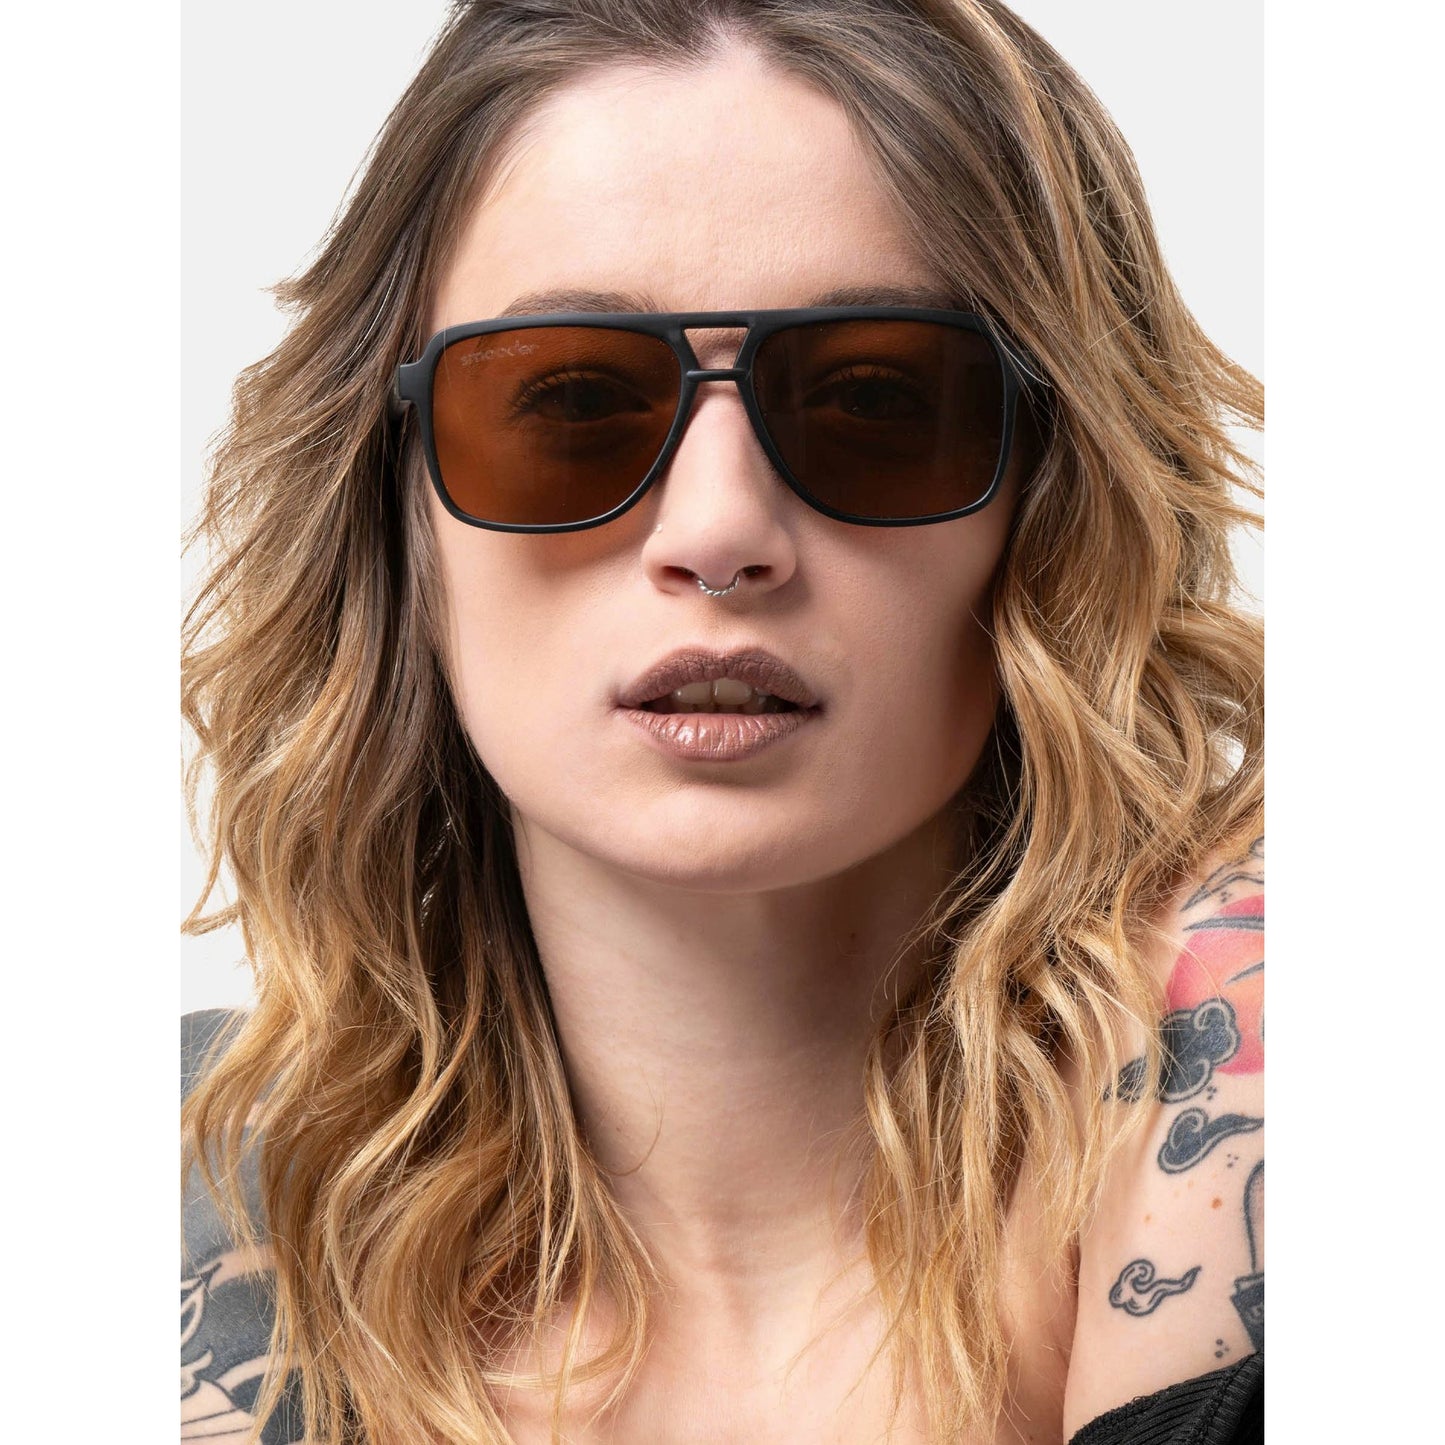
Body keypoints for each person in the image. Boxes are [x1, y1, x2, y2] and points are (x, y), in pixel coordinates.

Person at [181, 2, 1264, 1441]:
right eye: (569, 398)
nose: (717, 533)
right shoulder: (166, 1206)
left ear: (1054, 497)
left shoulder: (1272, 1052)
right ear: (393, 512)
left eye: (875, 397)